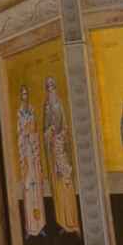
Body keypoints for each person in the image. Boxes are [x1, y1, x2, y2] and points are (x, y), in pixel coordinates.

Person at [42, 77, 80, 234]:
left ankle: (73, 222)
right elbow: (44, 130)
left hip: (62, 151)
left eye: (52, 85)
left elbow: (65, 125)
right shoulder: (46, 106)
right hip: (53, 152)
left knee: (67, 185)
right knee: (58, 188)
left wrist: (61, 135)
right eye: (48, 86)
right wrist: (49, 133)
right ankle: (63, 222)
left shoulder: (60, 105)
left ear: (55, 87)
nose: (50, 88)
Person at [17, 85, 46, 238]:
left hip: (33, 156)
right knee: (28, 190)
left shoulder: (32, 110)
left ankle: (40, 225)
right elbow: (19, 134)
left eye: (26, 93)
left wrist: (32, 134)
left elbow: (35, 130)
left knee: (37, 191)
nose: (25, 96)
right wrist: (24, 135)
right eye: (23, 94)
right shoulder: (19, 112)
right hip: (26, 156)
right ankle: (30, 227)